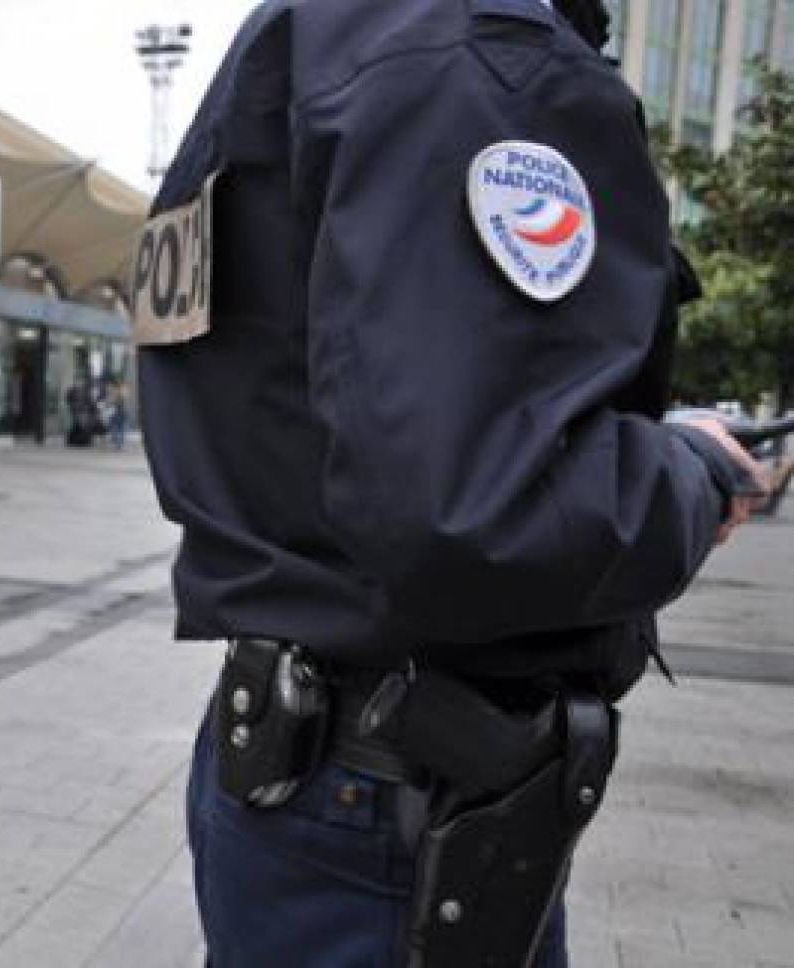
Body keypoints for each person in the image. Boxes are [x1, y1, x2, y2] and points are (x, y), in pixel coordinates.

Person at [131, 1, 769, 965]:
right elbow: (479, 511)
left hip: (305, 771)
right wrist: (698, 473)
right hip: (400, 804)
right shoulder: (475, 57)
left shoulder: (323, 33)